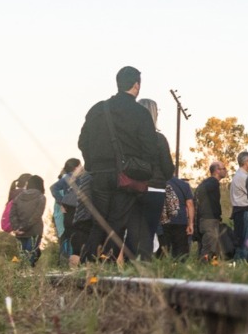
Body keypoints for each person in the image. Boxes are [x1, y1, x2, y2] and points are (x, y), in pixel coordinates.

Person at [76, 66, 175, 262]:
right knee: (117, 222)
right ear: (136, 85)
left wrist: (92, 164)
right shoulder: (140, 113)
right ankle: (108, 263)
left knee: (99, 222)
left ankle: (89, 262)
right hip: (127, 175)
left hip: (100, 173)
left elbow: (83, 142)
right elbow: (149, 147)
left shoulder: (98, 109)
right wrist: (141, 169)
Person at [138, 98, 173, 255]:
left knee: (132, 230)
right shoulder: (159, 139)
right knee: (150, 230)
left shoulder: (128, 139)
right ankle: (145, 262)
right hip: (155, 188)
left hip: (132, 187)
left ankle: (130, 261)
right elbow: (167, 167)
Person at [50, 158, 82, 263]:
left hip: (69, 210)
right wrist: (61, 201)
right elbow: (53, 188)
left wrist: (61, 202)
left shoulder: (67, 178)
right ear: (76, 167)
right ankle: (71, 260)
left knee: (69, 236)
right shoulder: (72, 177)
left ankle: (67, 260)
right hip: (73, 210)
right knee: (73, 236)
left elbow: (53, 188)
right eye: (80, 165)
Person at [11, 175, 47, 265]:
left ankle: (23, 271)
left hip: (19, 232)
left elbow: (12, 213)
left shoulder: (18, 197)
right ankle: (28, 271)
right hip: (34, 230)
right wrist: (25, 227)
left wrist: (17, 227)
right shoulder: (41, 197)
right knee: (31, 255)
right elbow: (37, 215)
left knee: (22, 256)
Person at [194, 161, 226, 261]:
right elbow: (199, 192)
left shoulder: (208, 182)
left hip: (206, 219)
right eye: (224, 169)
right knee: (208, 248)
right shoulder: (212, 182)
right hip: (209, 220)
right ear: (217, 171)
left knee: (209, 247)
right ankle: (203, 267)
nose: (226, 171)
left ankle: (205, 266)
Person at [160, 169, 194, 259]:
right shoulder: (184, 185)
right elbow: (190, 204)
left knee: (163, 252)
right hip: (180, 220)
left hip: (163, 221)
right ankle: (179, 266)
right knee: (180, 253)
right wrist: (190, 224)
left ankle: (163, 267)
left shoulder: (158, 183)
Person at [230, 151, 248, 262]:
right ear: (246, 162)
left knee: (244, 239)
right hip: (244, 211)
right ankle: (243, 264)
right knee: (246, 240)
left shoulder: (242, 175)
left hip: (242, 211)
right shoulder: (242, 177)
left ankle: (244, 263)